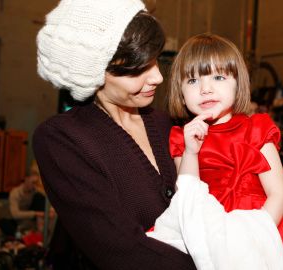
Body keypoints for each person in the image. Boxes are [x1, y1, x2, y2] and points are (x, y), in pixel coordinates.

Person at [33, 0, 196, 269]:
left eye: (155, 60)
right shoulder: (61, 140)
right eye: (138, 69)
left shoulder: (169, 124)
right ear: (93, 72)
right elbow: (121, 250)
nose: (157, 77)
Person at [165, 33, 283, 270]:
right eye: (192, 81)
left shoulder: (256, 129)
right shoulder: (182, 138)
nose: (206, 89)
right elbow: (188, 200)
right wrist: (191, 152)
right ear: (180, 93)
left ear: (238, 83)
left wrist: (251, 243)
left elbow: (279, 195)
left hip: (261, 234)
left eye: (219, 76)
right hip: (206, 241)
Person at [0, 160, 47, 239]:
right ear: (26, 179)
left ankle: (39, 231)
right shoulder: (15, 193)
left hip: (30, 220)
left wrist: (49, 211)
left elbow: (46, 205)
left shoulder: (36, 191)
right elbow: (15, 214)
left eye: (36, 182)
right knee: (2, 222)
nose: (34, 185)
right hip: (18, 220)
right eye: (33, 182)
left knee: (40, 197)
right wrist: (35, 213)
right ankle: (21, 235)